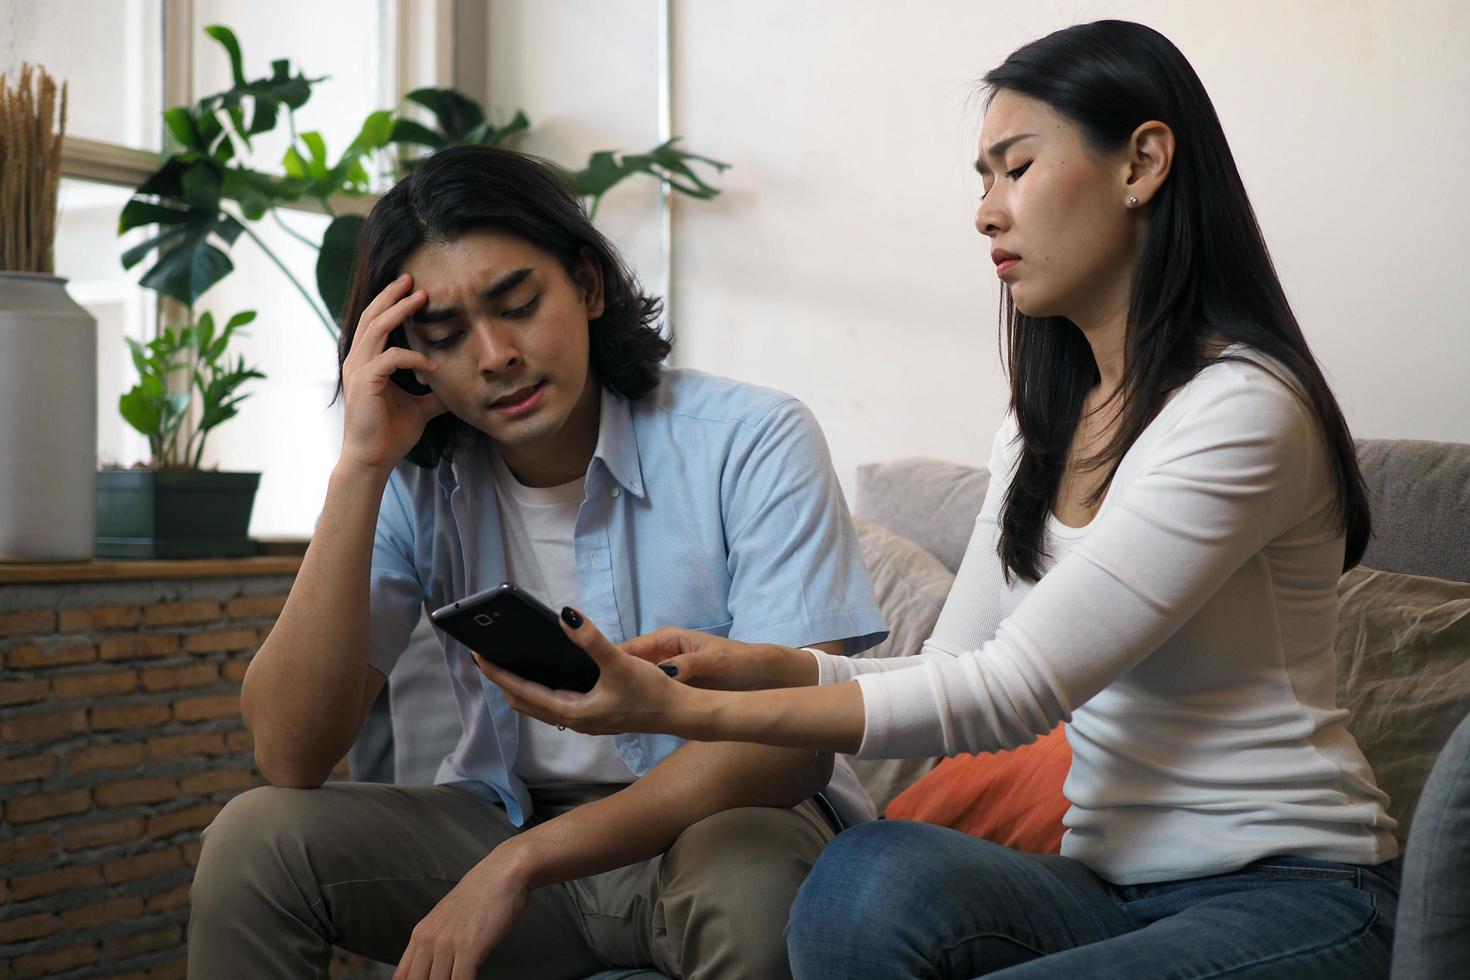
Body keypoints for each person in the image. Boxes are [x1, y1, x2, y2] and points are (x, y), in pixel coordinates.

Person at [484, 20, 1401, 979]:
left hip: (1292, 893)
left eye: (1015, 169)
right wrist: (761, 670)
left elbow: (1011, 693)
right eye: (982, 180)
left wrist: (678, 710)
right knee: (867, 875)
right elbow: (955, 662)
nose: (986, 213)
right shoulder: (1044, 421)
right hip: (1098, 887)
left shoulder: (1243, 410)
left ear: (1144, 161)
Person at [187, 145, 887, 980]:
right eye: (445, 334)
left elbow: (788, 748)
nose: (494, 355)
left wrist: (519, 865)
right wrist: (361, 466)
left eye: (516, 304)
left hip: (719, 822)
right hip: (504, 817)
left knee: (746, 876)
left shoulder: (751, 439)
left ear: (588, 285)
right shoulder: (420, 481)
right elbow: (289, 753)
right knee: (254, 839)